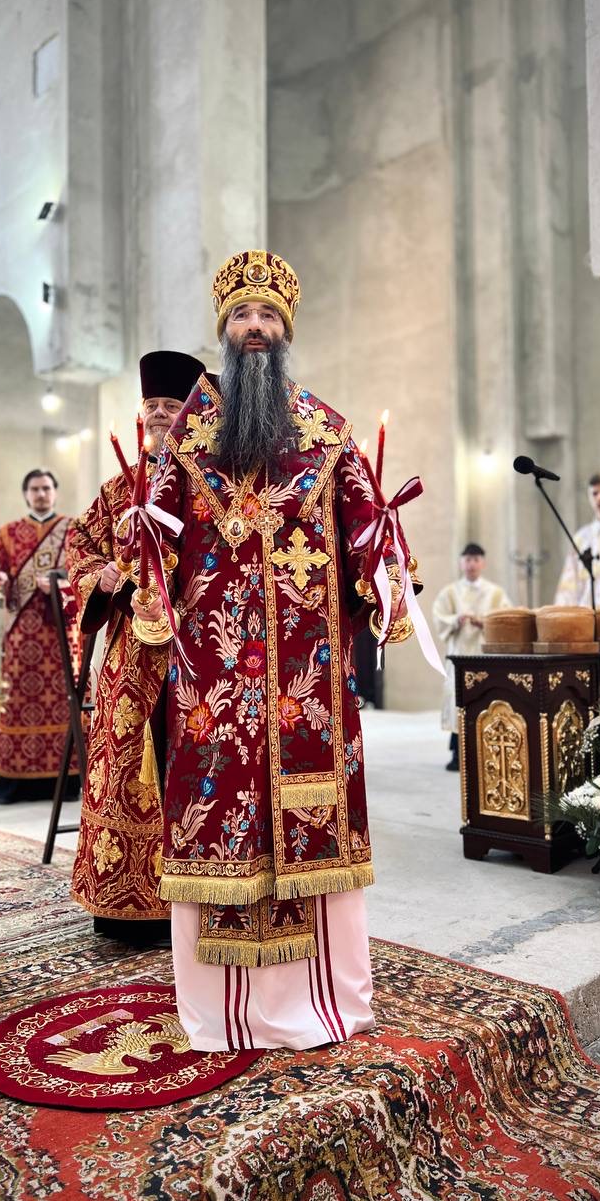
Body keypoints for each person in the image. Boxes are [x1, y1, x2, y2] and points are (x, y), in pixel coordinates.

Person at [131, 250, 421, 1050]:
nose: (253, 328)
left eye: (266, 316)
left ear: (285, 330)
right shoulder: (186, 436)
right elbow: (157, 533)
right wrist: (148, 564)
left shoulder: (327, 431)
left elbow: (365, 524)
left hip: (307, 678)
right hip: (212, 678)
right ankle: (221, 1012)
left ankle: (321, 1002)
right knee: (215, 814)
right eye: (240, 316)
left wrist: (386, 571)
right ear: (222, 330)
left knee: (310, 822)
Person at [66, 351, 204, 945]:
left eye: (173, 405)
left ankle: (201, 897)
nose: (161, 414)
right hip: (131, 651)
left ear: (192, 413)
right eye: (153, 405)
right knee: (126, 762)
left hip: (198, 646)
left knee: (200, 763)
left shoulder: (210, 483)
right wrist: (100, 576)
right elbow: (80, 544)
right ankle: (125, 903)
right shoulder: (119, 488)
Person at [0, 469, 81, 805]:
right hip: (21, 637)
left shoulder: (73, 529)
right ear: (25, 494)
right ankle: (16, 783)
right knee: (17, 704)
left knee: (64, 704)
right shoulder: (7, 534)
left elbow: (85, 573)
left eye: (46, 488)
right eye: (35, 489)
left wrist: (59, 584)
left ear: (55, 491)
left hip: (61, 635)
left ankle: (67, 782)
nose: (41, 494)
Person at [432, 543, 512, 770]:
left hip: (485, 656)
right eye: (467, 560)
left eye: (476, 560)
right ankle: (457, 754)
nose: (471, 564)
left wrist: (484, 622)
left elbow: (506, 619)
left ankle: (487, 754)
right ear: (461, 563)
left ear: (483, 563)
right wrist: (455, 620)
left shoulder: (495, 593)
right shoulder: (450, 592)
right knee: (458, 700)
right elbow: (439, 617)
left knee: (486, 701)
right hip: (459, 656)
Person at [554, 471, 600, 607]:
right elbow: (570, 582)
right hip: (587, 613)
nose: (599, 498)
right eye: (594, 493)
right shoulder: (581, 537)